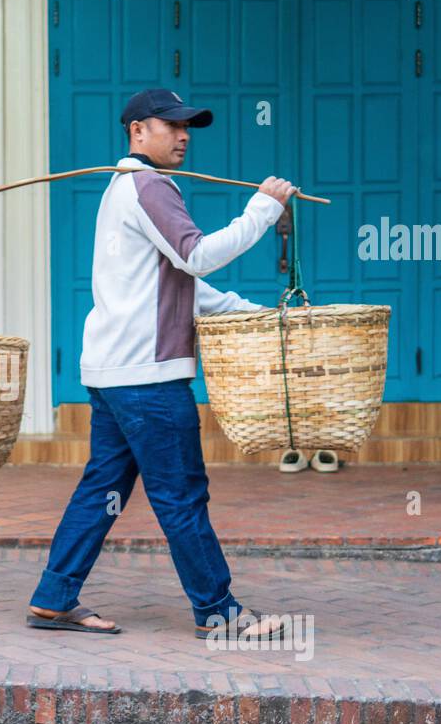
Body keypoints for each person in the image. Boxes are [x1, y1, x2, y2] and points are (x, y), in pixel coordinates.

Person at [28, 89, 297, 642]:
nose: (183, 135)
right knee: (181, 495)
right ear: (137, 131)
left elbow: (175, 285)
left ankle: (53, 597)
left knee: (101, 490)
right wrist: (264, 209)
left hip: (114, 374)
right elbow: (197, 256)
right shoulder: (149, 186)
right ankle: (218, 613)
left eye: (187, 127)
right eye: (171, 125)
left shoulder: (121, 189)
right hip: (147, 380)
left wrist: (252, 312)